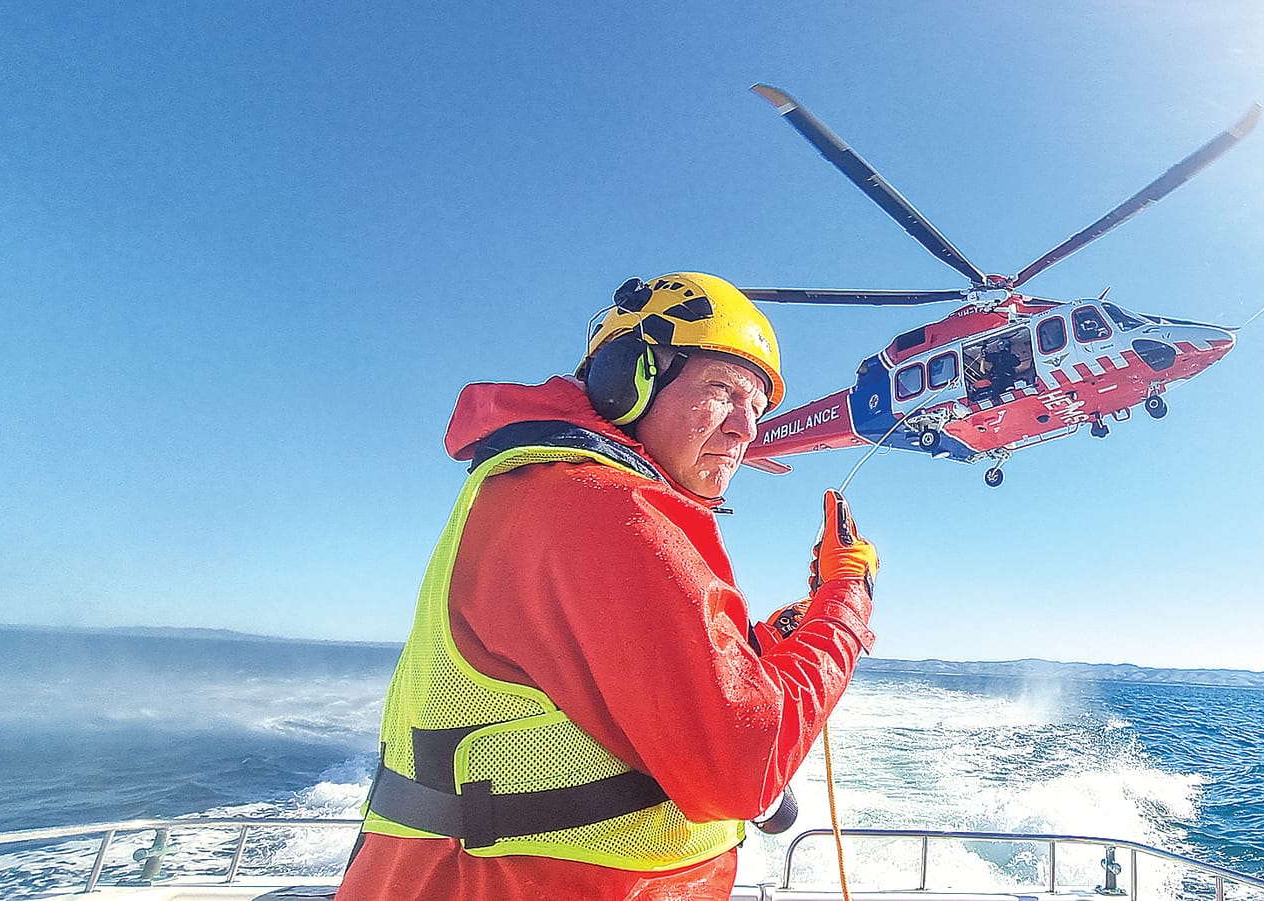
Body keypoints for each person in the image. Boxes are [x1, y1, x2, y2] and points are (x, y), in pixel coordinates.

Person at [335, 273, 879, 901]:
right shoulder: (605, 508)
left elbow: (620, 674)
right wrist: (845, 599)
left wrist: (787, 633)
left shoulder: (542, 488)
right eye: (723, 391)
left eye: (756, 410)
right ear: (628, 379)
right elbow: (743, 765)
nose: (745, 430)